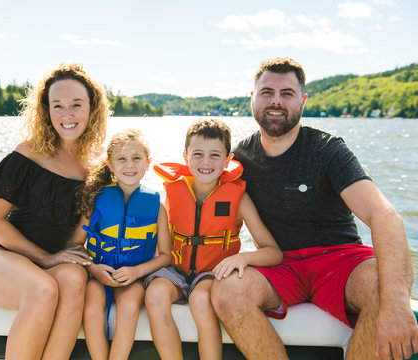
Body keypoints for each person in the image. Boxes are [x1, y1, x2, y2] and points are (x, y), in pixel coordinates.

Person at [210, 57, 418, 360]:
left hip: (340, 260)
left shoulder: (328, 150)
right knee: (227, 292)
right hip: (278, 264)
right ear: (252, 98)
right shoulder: (239, 158)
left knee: (380, 283)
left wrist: (398, 304)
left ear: (303, 100)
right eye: (267, 92)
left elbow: (383, 216)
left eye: (287, 94)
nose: (276, 102)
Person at [0, 63, 110, 360]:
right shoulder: (28, 153)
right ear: (46, 110)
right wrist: (46, 258)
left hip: (55, 263)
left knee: (75, 280)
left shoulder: (98, 166)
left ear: (93, 108)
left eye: (76, 105)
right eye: (57, 106)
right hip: (3, 258)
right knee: (43, 289)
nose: (67, 115)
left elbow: (79, 239)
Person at [144, 118, 282, 360]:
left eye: (215, 155)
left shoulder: (239, 199)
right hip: (175, 270)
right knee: (154, 296)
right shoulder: (172, 192)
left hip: (212, 274)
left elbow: (273, 252)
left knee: (199, 299)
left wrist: (243, 258)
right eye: (197, 154)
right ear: (185, 156)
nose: (205, 162)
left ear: (228, 159)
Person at [72, 128, 172, 360]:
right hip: (99, 272)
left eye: (136, 158)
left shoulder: (156, 205)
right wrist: (93, 269)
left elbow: (166, 255)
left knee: (128, 310)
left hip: (133, 277)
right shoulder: (96, 198)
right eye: (121, 159)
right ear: (110, 165)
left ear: (148, 163)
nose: (130, 165)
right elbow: (76, 244)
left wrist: (137, 272)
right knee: (91, 310)